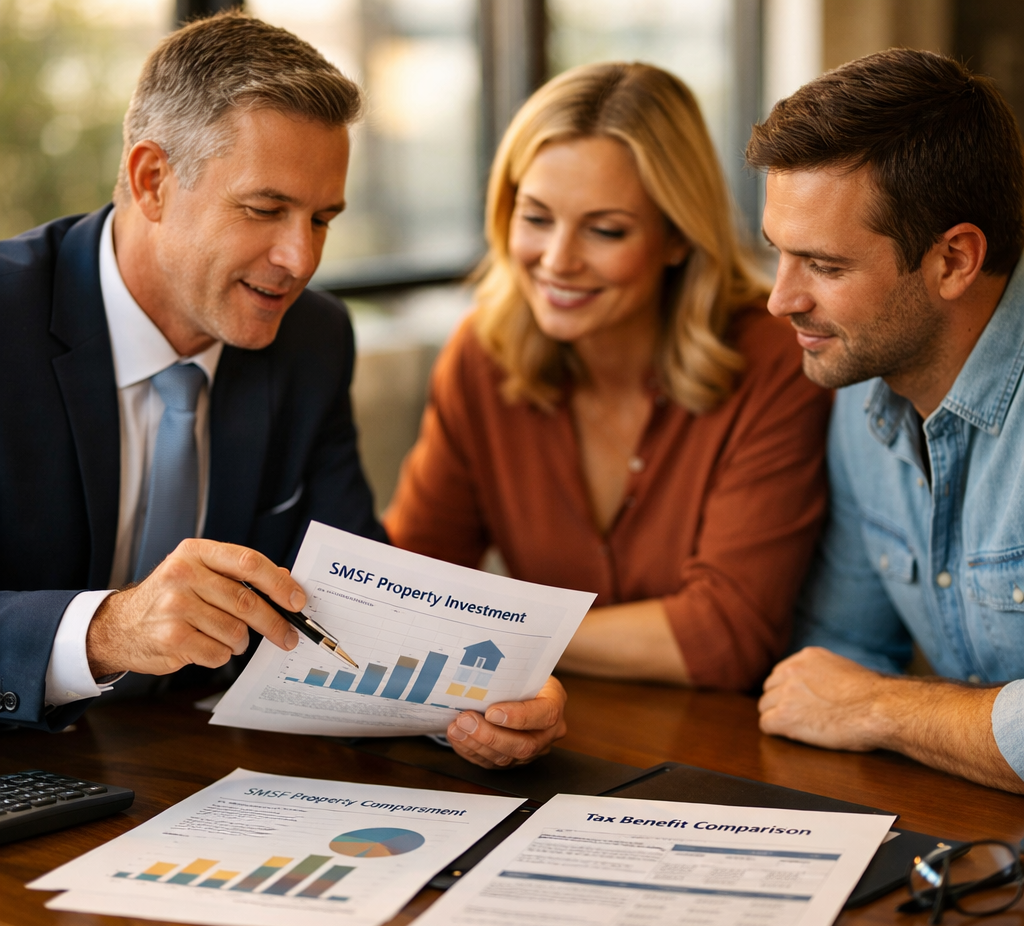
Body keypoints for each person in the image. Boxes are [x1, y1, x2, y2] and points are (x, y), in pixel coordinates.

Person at [0, 13, 559, 770]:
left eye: (323, 218)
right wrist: (108, 631)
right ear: (151, 180)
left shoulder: (312, 338)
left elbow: (353, 598)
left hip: (191, 769)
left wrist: (487, 696)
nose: (300, 260)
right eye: (264, 210)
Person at [385, 62, 831, 706]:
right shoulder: (480, 355)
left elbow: (724, 636)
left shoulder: (774, 359)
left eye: (605, 230)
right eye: (536, 218)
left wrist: (490, 638)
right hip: (540, 731)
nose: (558, 260)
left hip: (728, 755)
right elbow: (409, 586)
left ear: (676, 236)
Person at [747, 48, 1024, 794]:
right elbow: (837, 658)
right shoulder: (858, 387)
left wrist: (880, 709)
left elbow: (853, 695)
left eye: (825, 268)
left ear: (954, 261)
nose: (782, 300)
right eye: (779, 254)